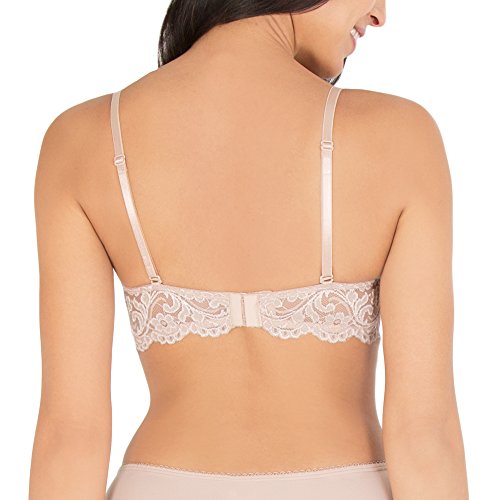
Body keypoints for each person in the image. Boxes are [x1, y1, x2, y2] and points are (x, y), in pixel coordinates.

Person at [29, 1, 469, 499]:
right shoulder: (399, 136)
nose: (380, 14)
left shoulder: (81, 139)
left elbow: (70, 437)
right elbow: (424, 435)